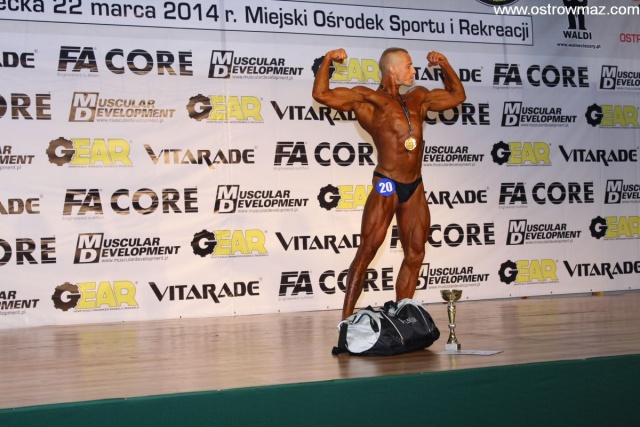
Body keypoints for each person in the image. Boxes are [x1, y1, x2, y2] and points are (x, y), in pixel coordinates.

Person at [312, 48, 466, 319]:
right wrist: (327, 61)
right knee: (368, 248)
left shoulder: (418, 97)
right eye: (409, 66)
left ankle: (403, 314)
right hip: (388, 183)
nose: (414, 70)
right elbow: (321, 94)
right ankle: (345, 319)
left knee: (416, 253)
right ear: (393, 69)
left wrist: (444, 63)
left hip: (414, 185)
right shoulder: (368, 100)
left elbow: (457, 96)